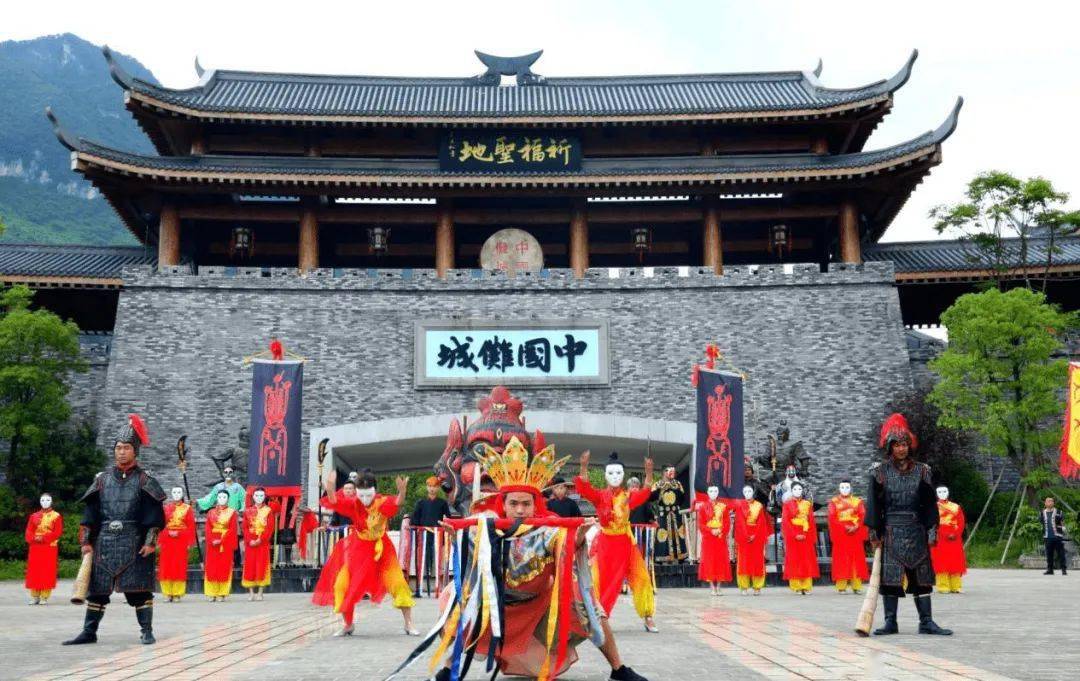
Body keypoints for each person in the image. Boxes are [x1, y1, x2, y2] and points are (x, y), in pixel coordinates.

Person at [397, 434, 650, 681]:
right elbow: (468, 553)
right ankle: (449, 669)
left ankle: (618, 669)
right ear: (503, 504)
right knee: (455, 598)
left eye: (526, 504)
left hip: (540, 608)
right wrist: (456, 538)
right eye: (514, 503)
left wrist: (580, 537)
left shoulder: (548, 528)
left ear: (535, 504)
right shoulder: (486, 525)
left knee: (589, 603)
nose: (520, 510)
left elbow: (568, 546)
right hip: (498, 609)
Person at [63, 414, 165, 646]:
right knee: (97, 591)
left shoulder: (145, 480)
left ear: (134, 451)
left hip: (135, 543)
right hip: (105, 542)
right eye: (118, 447)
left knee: (139, 591)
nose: (121, 452)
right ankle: (89, 632)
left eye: (126, 448)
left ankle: (146, 631)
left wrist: (150, 542)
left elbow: (155, 517)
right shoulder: (101, 480)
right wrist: (86, 542)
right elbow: (90, 514)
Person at [866, 413, 951, 636]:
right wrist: (874, 531)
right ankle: (890, 622)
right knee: (890, 580)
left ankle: (926, 621)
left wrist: (932, 527)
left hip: (916, 531)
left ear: (909, 446)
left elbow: (929, 504)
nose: (901, 449)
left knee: (922, 579)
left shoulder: (923, 471)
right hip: (891, 531)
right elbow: (874, 505)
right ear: (890, 447)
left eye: (904, 444)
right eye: (897, 445)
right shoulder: (880, 472)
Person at [312, 469, 419, 637]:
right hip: (359, 549)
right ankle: (348, 624)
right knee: (342, 585)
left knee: (398, 583)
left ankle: (408, 623)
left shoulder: (381, 502)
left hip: (382, 550)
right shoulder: (354, 503)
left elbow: (397, 502)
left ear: (374, 491)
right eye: (361, 495)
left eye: (368, 495)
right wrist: (331, 489)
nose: (365, 500)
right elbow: (334, 501)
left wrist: (403, 492)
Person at [575, 451, 658, 633]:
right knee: (603, 582)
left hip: (626, 544)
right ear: (605, 475)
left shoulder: (628, 497)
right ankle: (599, 618)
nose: (614, 477)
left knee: (641, 578)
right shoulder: (599, 496)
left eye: (618, 473)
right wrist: (583, 467)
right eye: (611, 473)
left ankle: (648, 617)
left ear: (623, 475)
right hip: (606, 544)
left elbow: (645, 493)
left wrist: (649, 472)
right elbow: (584, 489)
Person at [408, 476, 452, 595]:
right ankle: (419, 588)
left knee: (438, 562)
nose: (432, 489)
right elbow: (414, 520)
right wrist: (412, 526)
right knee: (422, 561)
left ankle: (439, 587)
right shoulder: (421, 503)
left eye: (435, 486)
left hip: (438, 537)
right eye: (430, 486)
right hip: (423, 536)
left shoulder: (442, 503)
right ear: (427, 487)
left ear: (438, 488)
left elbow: (448, 519)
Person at [827, 479, 868, 594]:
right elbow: (832, 517)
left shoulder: (857, 501)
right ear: (839, 489)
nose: (845, 489)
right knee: (841, 559)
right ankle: (841, 586)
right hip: (841, 534)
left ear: (851, 488)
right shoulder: (833, 502)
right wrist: (845, 527)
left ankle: (856, 586)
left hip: (854, 534)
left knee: (856, 559)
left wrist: (856, 526)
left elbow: (862, 515)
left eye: (847, 487)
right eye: (842, 487)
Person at [158, 486, 195, 602]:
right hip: (167, 540)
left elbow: (190, 526)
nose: (176, 494)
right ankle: (168, 593)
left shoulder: (187, 509)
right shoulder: (166, 508)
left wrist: (181, 534)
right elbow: (161, 525)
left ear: (182, 494)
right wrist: (166, 534)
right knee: (166, 566)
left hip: (181, 541)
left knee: (179, 566)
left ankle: (178, 593)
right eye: (174, 492)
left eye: (179, 492)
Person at [25, 493, 62, 605]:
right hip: (35, 547)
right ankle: (35, 596)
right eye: (42, 500)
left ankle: (44, 597)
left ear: (51, 501)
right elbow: (28, 531)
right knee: (34, 571)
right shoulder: (33, 516)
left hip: (49, 547)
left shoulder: (56, 516)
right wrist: (34, 538)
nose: (45, 502)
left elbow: (57, 532)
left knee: (47, 571)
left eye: (47, 500)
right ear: (40, 501)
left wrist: (44, 538)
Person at [781, 481, 819, 594]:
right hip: (793, 534)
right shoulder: (787, 504)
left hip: (806, 533)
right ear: (791, 491)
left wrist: (808, 534)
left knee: (807, 559)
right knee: (794, 559)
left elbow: (811, 521)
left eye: (800, 489)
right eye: (795, 489)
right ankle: (796, 586)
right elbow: (786, 521)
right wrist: (794, 534)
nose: (798, 491)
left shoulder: (807, 504)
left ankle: (807, 586)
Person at [734, 484, 771, 595]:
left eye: (750, 491)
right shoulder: (740, 505)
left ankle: (757, 587)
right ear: (743, 493)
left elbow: (761, 523)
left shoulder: (759, 506)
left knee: (758, 562)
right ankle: (744, 587)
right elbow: (739, 522)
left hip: (757, 537)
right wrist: (746, 535)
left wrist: (755, 535)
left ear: (753, 492)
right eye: (745, 491)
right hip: (743, 538)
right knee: (743, 562)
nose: (748, 494)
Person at [695, 485, 732, 595]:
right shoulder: (703, 507)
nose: (713, 493)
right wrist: (710, 531)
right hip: (708, 538)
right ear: (707, 492)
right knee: (709, 561)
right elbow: (700, 524)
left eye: (715, 490)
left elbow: (727, 522)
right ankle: (712, 587)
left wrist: (720, 530)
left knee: (721, 561)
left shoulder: (723, 506)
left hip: (720, 538)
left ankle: (719, 587)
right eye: (711, 491)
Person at [203, 490, 239, 601]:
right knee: (211, 567)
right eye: (220, 497)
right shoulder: (210, 513)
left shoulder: (232, 513)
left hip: (225, 543)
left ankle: (222, 593)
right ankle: (211, 593)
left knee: (224, 567)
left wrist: (222, 540)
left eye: (224, 497)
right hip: (212, 543)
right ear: (216, 498)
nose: (222, 499)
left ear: (228, 499)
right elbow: (208, 528)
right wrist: (212, 539)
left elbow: (233, 529)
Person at [931, 486, 967, 593]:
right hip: (940, 537)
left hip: (955, 538)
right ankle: (943, 586)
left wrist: (956, 533)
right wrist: (943, 533)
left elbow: (961, 522)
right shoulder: (933, 507)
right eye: (940, 491)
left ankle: (956, 586)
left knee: (956, 561)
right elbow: (932, 523)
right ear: (936, 493)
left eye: (944, 491)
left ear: (948, 492)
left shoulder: (956, 507)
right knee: (941, 562)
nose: (942, 493)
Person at [242, 487, 276, 600]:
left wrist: (260, 540)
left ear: (265, 497)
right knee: (250, 566)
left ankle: (260, 592)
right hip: (250, 542)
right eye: (257, 495)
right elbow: (245, 528)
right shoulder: (247, 511)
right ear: (253, 497)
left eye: (261, 495)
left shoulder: (268, 510)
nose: (259, 498)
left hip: (263, 542)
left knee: (262, 565)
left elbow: (270, 527)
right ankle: (251, 592)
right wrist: (249, 540)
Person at [652, 465, 688, 563]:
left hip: (675, 512)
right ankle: (662, 557)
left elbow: (682, 498)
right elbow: (652, 499)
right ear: (663, 472)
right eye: (668, 470)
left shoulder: (677, 484)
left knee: (679, 532)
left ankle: (681, 557)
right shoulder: (657, 484)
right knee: (662, 533)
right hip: (663, 513)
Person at [1040, 496, 1068, 575]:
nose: (1049, 502)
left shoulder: (1059, 512)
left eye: (1051, 501)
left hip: (1058, 536)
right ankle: (1050, 570)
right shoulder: (1042, 512)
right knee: (1049, 554)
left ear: (1053, 503)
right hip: (1047, 537)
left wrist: (1063, 528)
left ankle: (1063, 569)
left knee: (1061, 553)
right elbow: (1042, 522)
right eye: (1048, 501)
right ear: (1045, 503)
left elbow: (1062, 522)